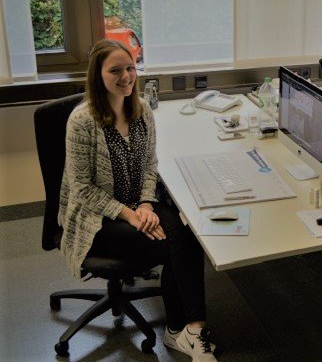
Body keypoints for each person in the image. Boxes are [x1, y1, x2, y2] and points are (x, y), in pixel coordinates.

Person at [58, 39, 218, 361]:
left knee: (188, 235)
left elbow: (149, 165)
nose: (126, 76)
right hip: (97, 218)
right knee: (171, 246)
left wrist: (145, 205)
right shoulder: (82, 121)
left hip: (140, 206)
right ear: (97, 75)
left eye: (130, 68)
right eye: (115, 70)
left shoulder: (142, 109)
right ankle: (178, 329)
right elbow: (81, 190)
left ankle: (191, 330)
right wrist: (129, 215)